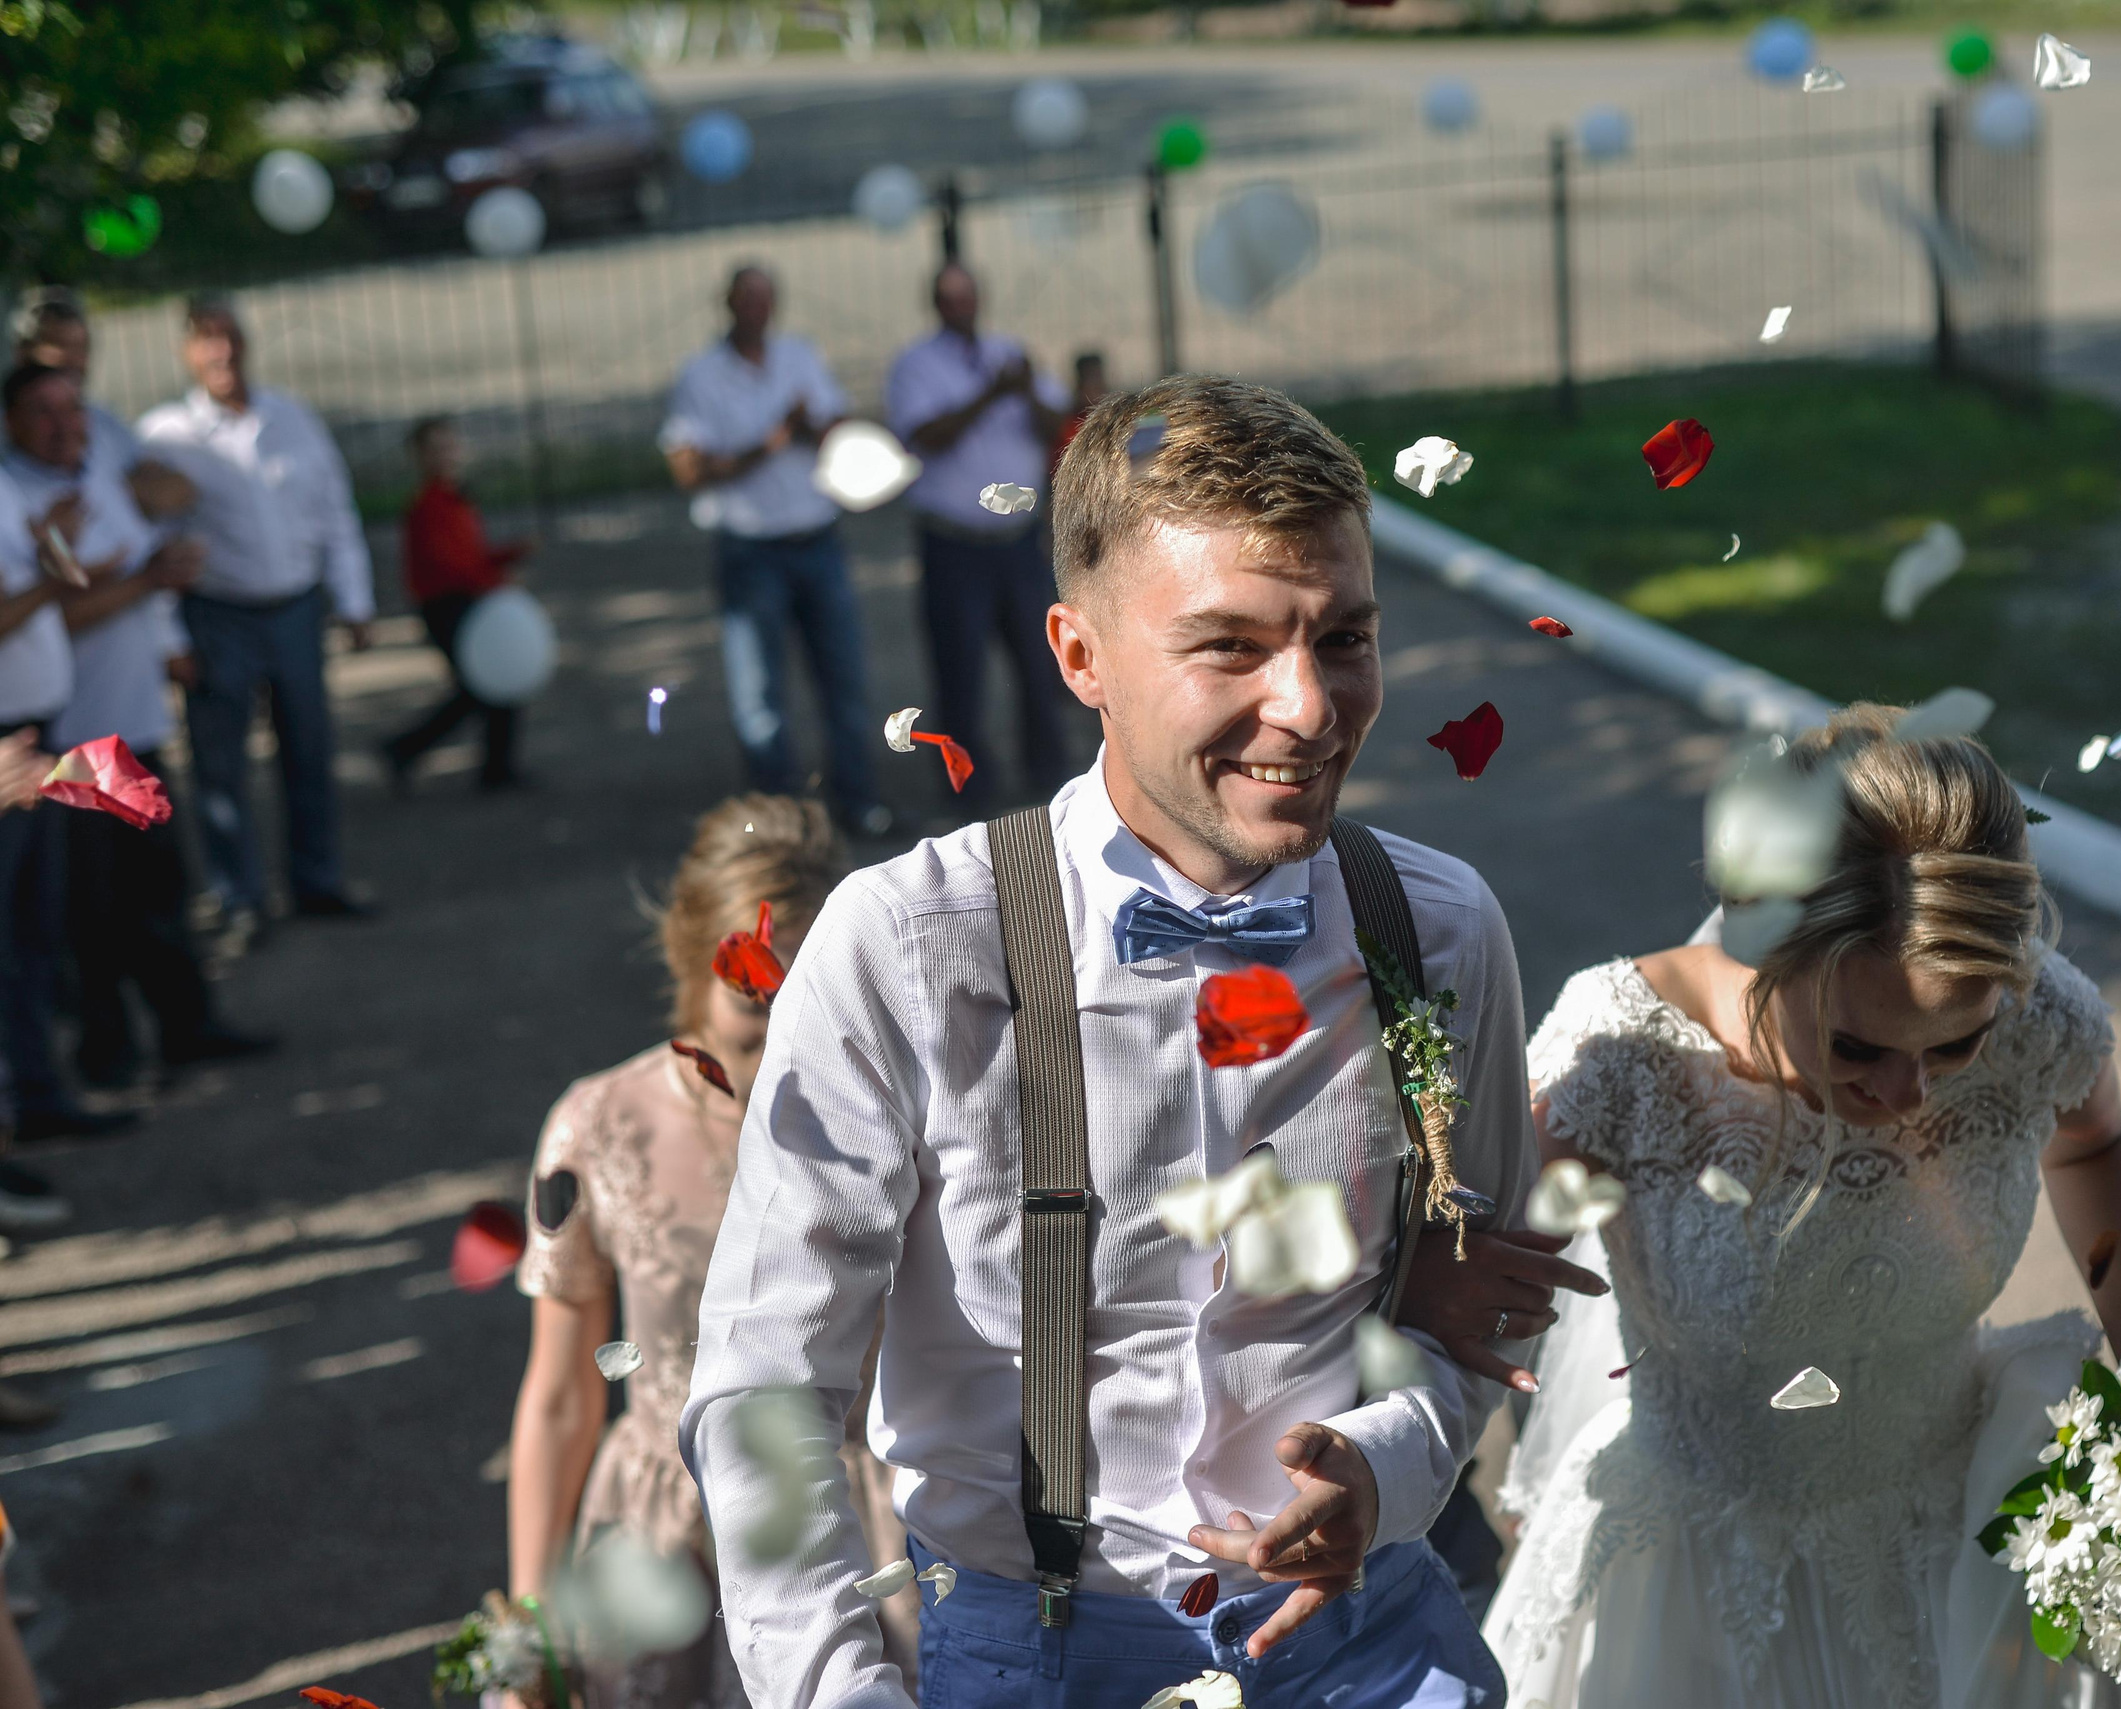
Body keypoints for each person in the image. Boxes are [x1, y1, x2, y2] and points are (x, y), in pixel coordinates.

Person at [680, 376, 1540, 1709]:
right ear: (1079, 657)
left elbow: (1469, 1305)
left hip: (1368, 1639)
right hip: (1028, 1657)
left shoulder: (1437, 931)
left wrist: (1387, 1461)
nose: (1310, 706)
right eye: (1232, 647)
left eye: (1344, 638)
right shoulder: (910, 946)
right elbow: (765, 1383)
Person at [1473, 705, 2121, 1709]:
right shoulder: (1625, 1055)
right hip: (1693, 1586)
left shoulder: (2034, 1014)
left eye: (1953, 1045)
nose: (1907, 1094)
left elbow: (2097, 1140)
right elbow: (1467, 1297)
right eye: (1857, 1045)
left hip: (1956, 1550)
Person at [508, 794, 921, 1705]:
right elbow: (561, 1394)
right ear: (688, 969)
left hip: (860, 1519)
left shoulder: (899, 1107)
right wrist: (529, 1617)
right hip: (662, 1542)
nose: (781, 1060)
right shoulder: (596, 1125)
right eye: (749, 1029)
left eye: (806, 1015)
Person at [4, 364, 275, 1089]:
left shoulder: (103, 478)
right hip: (69, 738)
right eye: (42, 412)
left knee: (159, 886)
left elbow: (156, 537)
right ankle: (107, 1052)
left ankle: (188, 1026)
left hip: (134, 724)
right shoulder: (18, 497)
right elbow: (51, 609)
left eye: (72, 408)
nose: (65, 424)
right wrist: (144, 581)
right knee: (89, 909)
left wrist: (163, 625)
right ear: (12, 424)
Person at [137, 293, 377, 933]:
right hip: (218, 616)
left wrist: (354, 598)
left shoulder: (292, 418)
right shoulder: (167, 436)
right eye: (206, 337)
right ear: (187, 351)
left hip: (295, 607)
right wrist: (166, 636)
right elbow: (150, 544)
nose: (221, 349)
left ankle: (317, 879)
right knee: (220, 762)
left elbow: (334, 512)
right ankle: (238, 895)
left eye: (229, 334)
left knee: (310, 748)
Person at [661, 265, 890, 839]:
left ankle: (856, 803)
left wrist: (805, 426)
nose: (759, 312)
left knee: (844, 679)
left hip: (816, 538)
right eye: (748, 302)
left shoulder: (799, 356)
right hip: (750, 547)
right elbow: (688, 469)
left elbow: (839, 432)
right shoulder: (702, 375)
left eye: (767, 301)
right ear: (729, 306)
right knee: (759, 695)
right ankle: (780, 821)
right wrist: (768, 444)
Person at [886, 263, 1074, 809]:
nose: (963, 307)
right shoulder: (916, 365)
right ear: (935, 304)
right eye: (951, 299)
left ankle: (1049, 777)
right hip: (955, 543)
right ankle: (967, 788)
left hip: (1016, 540)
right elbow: (926, 437)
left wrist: (1023, 393)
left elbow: (1057, 426)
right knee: (960, 671)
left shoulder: (1008, 352)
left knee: (1041, 665)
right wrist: (992, 394)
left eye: (969, 296)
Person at [0, 411, 138, 1152]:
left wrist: (53, 553)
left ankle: (36, 1099)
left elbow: (61, 573)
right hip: (6, 751)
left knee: (35, 936)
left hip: (34, 739)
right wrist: (52, 578)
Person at [383, 417, 529, 793]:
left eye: (450, 446)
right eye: (436, 449)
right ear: (420, 457)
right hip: (448, 607)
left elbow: (471, 557)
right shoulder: (428, 506)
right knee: (484, 684)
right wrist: (496, 579)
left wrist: (508, 556)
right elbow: (451, 566)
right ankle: (409, 749)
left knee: (487, 686)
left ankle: (492, 765)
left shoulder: (456, 499)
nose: (447, 455)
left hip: (468, 603)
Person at [12, 287, 138, 471]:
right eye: (60, 345)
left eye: (81, 348)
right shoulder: (8, 430)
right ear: (23, 353)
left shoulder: (104, 422)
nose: (74, 360)